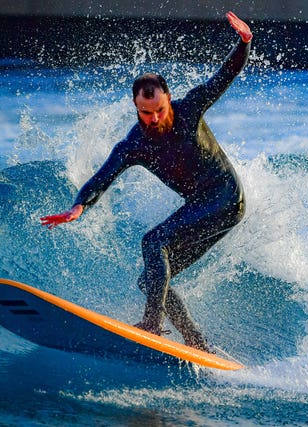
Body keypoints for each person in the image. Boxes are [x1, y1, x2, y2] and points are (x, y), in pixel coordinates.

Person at [40, 12, 252, 351]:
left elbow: (225, 75)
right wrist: (79, 205)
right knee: (152, 277)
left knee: (154, 242)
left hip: (226, 198)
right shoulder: (135, 144)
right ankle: (196, 341)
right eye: (144, 112)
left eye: (158, 110)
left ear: (168, 99)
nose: (153, 119)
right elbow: (102, 177)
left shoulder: (189, 109)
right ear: (136, 108)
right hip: (203, 206)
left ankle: (152, 325)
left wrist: (244, 42)